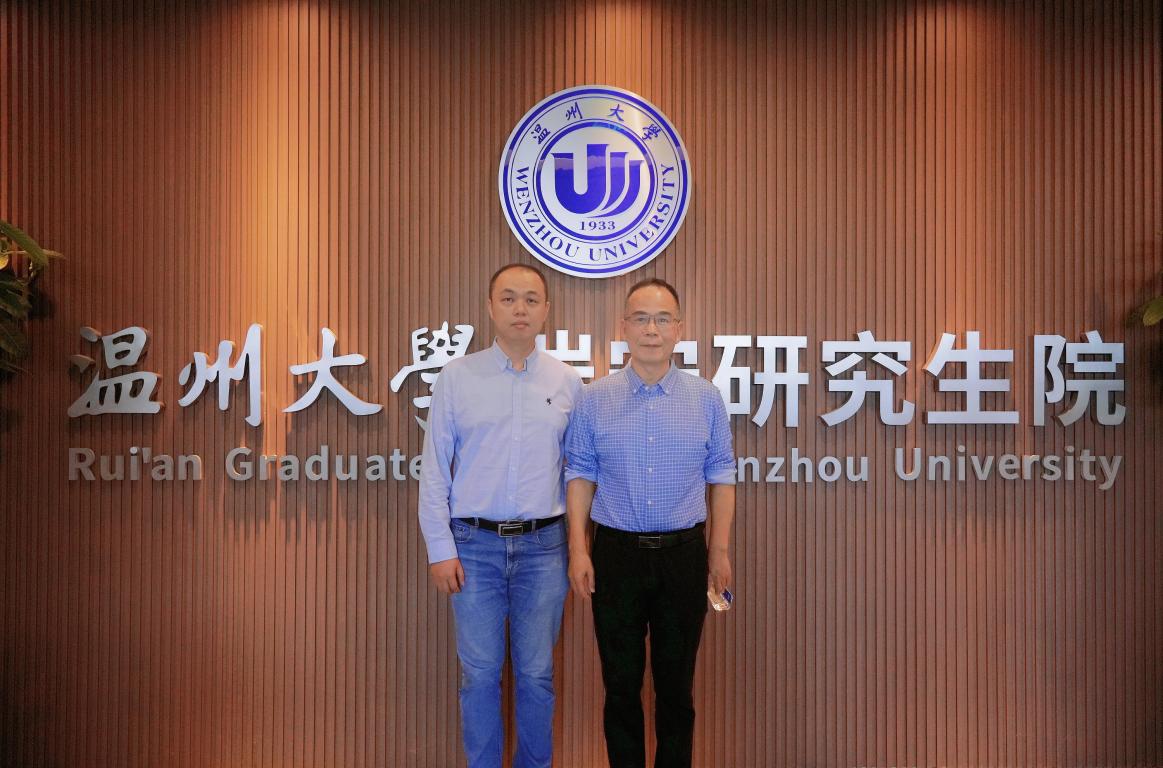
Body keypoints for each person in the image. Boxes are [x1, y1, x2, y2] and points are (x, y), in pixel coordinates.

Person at [565, 277, 736, 768]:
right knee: (620, 687)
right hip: (615, 555)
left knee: (676, 688)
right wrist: (579, 550)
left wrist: (719, 550)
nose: (651, 329)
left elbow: (722, 476)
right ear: (623, 327)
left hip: (684, 555)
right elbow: (580, 475)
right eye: (641, 318)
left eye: (662, 319)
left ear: (679, 328)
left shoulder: (705, 398)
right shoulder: (594, 398)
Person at [418, 263, 583, 768]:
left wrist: (579, 547)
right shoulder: (457, 377)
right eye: (508, 298)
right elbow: (435, 469)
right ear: (490, 307)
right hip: (474, 548)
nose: (520, 309)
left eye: (531, 299)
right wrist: (440, 548)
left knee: (536, 675)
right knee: (479, 676)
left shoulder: (567, 381)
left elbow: (577, 472)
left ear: (546, 310)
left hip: (544, 548)